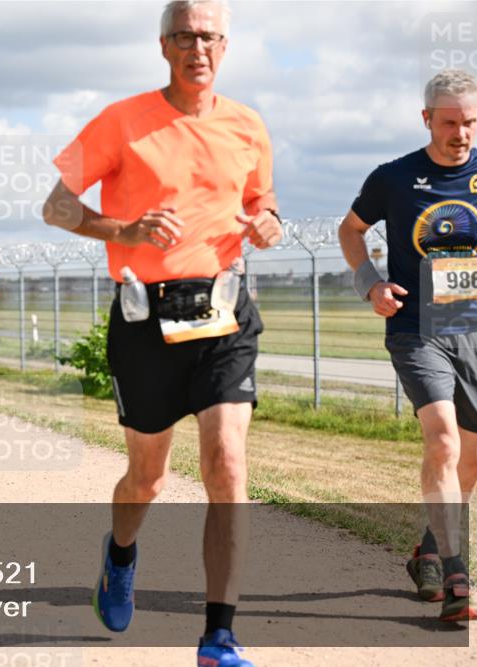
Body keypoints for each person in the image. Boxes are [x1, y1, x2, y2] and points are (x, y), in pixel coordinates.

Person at [43, 1, 282, 663]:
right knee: (146, 478)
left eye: (207, 36)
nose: (196, 47)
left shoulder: (248, 124)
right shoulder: (123, 121)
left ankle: (219, 634)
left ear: (225, 46)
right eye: (183, 35)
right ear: (163, 45)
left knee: (226, 463)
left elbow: (262, 202)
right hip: (146, 320)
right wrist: (124, 229)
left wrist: (269, 221)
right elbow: (55, 205)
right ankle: (120, 556)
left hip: (225, 314)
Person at [338, 68, 477, 623]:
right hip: (416, 330)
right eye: (450, 122)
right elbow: (349, 231)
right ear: (427, 119)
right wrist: (370, 283)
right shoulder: (394, 178)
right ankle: (455, 576)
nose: (461, 133)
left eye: (470, 121)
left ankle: (428, 549)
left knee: (472, 461)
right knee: (443, 442)